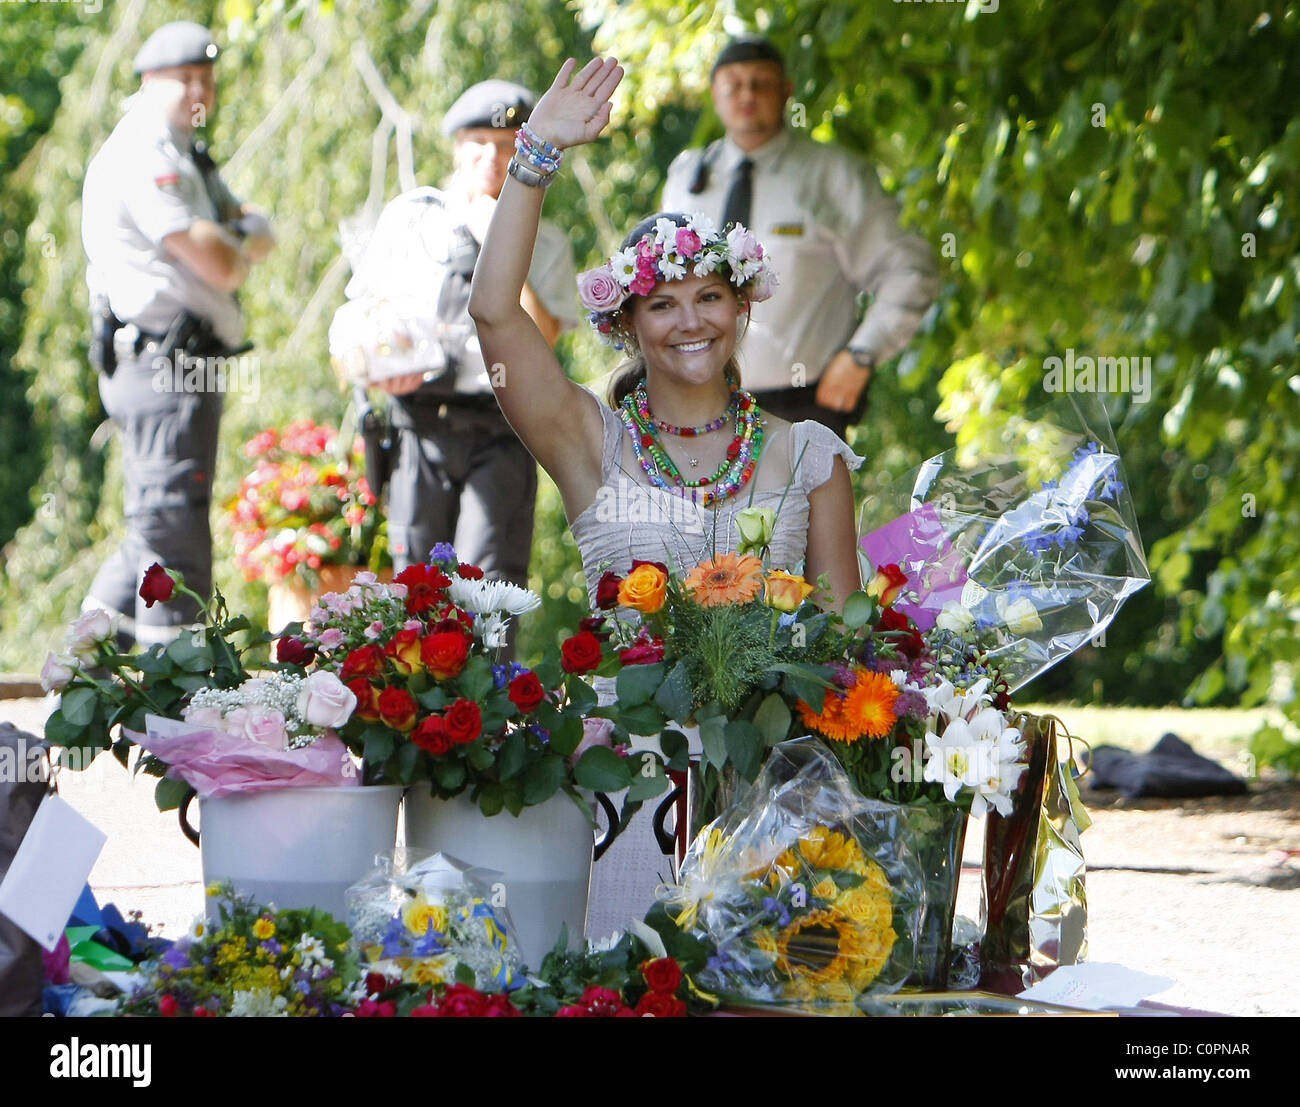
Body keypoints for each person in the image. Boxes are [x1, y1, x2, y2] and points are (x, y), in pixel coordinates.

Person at [467, 57, 864, 939]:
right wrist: (534, 155)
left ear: (743, 307)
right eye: (663, 304)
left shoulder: (810, 456)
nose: (691, 321)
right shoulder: (587, 441)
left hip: (777, 787)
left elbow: (846, 645)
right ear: (627, 324)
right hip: (627, 781)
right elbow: (495, 316)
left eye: (711, 296)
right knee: (635, 973)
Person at [342, 80, 577, 617]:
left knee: (490, 586)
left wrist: (501, 240)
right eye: (478, 143)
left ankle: (489, 698)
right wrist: (379, 370)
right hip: (419, 421)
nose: (491, 159)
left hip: (499, 425)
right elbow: (363, 322)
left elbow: (540, 340)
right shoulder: (411, 219)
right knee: (414, 583)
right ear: (455, 147)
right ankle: (415, 703)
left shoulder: (550, 239)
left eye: (506, 145)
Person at [81, 21, 273, 646]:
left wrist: (233, 238)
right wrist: (236, 244)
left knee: (152, 526)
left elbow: (245, 230)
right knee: (173, 532)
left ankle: (76, 668)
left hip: (181, 362)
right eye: (184, 79)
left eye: (207, 81)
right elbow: (220, 259)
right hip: (162, 362)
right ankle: (178, 710)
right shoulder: (146, 151)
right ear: (147, 81)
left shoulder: (185, 152)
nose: (199, 93)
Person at [661, 35, 939, 439]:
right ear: (714, 93)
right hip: (696, 406)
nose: (747, 94)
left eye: (761, 82)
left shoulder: (834, 175)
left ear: (787, 91)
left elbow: (910, 269)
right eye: (733, 84)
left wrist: (862, 354)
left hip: (802, 411)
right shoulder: (686, 178)